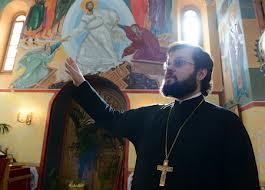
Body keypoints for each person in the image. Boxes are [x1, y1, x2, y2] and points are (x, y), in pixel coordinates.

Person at [65, 42, 260, 190]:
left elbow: (243, 183)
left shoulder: (226, 123)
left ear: (201, 73)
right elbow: (112, 119)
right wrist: (82, 84)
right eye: (168, 63)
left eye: (179, 63)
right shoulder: (150, 116)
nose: (168, 68)